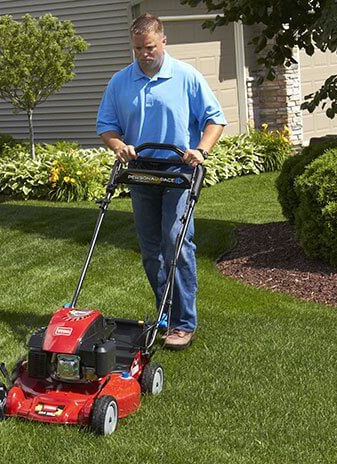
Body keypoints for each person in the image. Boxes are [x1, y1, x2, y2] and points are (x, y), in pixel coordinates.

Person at [96, 13, 227, 350]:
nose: (144, 53)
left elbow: (215, 120)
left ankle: (184, 323)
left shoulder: (186, 77)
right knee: (151, 250)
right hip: (141, 173)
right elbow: (107, 126)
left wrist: (201, 149)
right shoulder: (120, 81)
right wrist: (118, 145)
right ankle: (165, 315)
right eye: (138, 48)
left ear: (163, 41)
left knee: (176, 242)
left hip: (178, 172)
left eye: (150, 47)